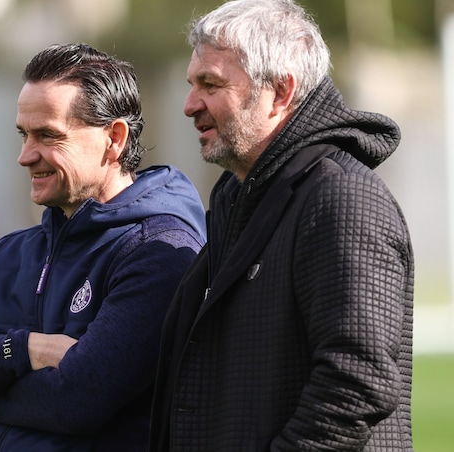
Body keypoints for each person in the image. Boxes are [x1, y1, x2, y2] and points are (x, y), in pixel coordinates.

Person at [148, 0, 414, 450]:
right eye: (192, 84)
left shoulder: (341, 197)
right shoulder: (241, 196)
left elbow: (357, 380)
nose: (190, 105)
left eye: (210, 84)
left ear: (280, 91)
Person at [0, 43, 207, 451]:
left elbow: (78, 399)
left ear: (114, 139)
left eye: (47, 135)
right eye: (23, 134)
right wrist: (21, 349)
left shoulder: (160, 250)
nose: (25, 155)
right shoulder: (10, 256)